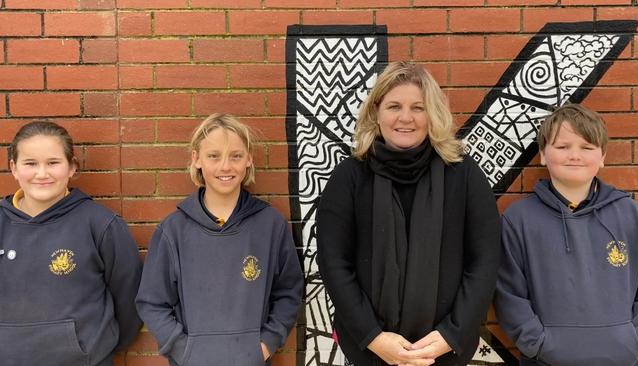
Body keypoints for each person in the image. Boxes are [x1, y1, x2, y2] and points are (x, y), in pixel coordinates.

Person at [316, 61, 501, 366]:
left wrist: (450, 335)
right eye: (394, 106)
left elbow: (485, 260)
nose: (406, 117)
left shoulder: (464, 175)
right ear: (376, 112)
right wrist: (374, 337)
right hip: (371, 352)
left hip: (445, 351)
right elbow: (334, 262)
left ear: (433, 113)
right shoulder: (349, 176)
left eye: (418, 107)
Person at [136, 113, 303, 366]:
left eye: (235, 156)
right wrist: (184, 351)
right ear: (197, 159)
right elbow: (152, 302)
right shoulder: (173, 230)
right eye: (214, 156)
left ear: (248, 159)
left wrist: (266, 344)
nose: (225, 166)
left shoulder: (271, 225)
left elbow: (289, 291)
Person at [494, 104, 638, 365]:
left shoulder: (634, 216)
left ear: (602, 157)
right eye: (562, 147)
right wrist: (538, 343)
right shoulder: (518, 219)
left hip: (629, 359)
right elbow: (509, 293)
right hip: (545, 360)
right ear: (543, 154)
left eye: (587, 147)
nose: (574, 155)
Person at [0, 120, 142, 366]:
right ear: (13, 168)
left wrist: (91, 348)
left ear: (71, 167)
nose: (41, 173)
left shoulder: (101, 225)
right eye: (30, 163)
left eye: (53, 163)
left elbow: (130, 301)